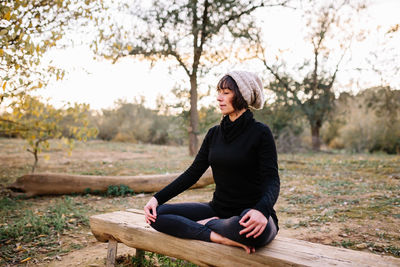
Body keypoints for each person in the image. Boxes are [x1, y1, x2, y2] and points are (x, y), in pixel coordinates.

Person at [144, 71, 280, 254]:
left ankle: (209, 224)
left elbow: (272, 179)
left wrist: (262, 211)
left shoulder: (260, 133)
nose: (218, 98)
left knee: (252, 233)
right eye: (219, 92)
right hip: (218, 208)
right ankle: (215, 234)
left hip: (251, 213)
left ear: (242, 95)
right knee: (156, 215)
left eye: (226, 92)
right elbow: (193, 173)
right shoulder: (214, 134)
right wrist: (157, 198)